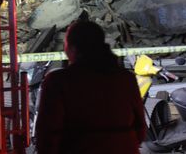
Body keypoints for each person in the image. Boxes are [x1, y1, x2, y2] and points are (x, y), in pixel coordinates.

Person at [34, 20, 146, 154]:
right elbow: (140, 130)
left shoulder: (58, 82)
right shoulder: (126, 78)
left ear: (72, 48)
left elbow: (47, 135)